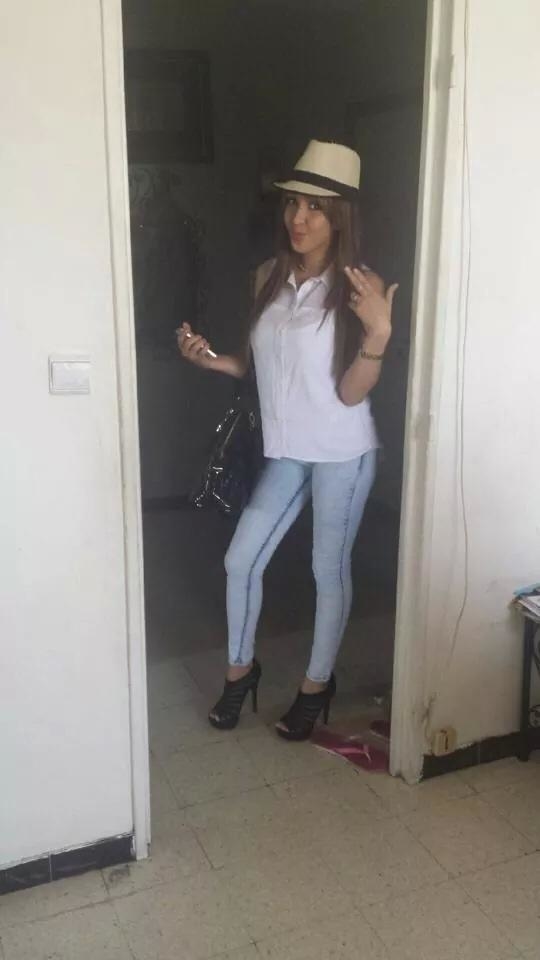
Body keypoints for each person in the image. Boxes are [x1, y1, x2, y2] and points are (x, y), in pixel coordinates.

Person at [177, 140, 398, 740]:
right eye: (293, 203)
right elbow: (259, 366)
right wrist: (210, 360)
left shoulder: (359, 286)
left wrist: (378, 335)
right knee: (240, 558)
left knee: (328, 568)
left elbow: (349, 393)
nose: (298, 217)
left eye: (315, 207)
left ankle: (316, 685)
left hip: (342, 450)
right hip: (287, 450)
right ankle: (239, 672)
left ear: (340, 216)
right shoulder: (268, 276)